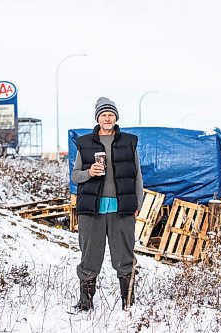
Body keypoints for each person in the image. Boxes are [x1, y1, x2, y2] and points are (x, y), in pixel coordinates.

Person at [71, 97, 143, 311]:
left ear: (116, 117)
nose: (107, 118)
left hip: (122, 208)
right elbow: (75, 176)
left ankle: (128, 301)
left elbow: (137, 176)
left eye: (111, 114)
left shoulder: (129, 142)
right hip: (91, 209)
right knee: (90, 256)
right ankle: (85, 302)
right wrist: (88, 172)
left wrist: (137, 202)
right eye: (103, 115)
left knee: (124, 256)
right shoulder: (84, 143)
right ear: (98, 118)